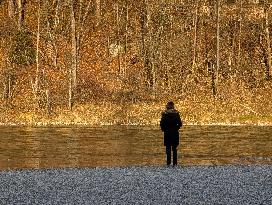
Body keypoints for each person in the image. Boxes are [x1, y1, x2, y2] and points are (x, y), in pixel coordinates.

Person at [160, 101, 182, 167]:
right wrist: (176, 128)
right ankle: (175, 163)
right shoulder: (176, 114)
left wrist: (164, 130)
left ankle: (168, 163)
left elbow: (161, 124)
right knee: (174, 148)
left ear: (167, 106)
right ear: (173, 106)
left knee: (168, 148)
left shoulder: (164, 114)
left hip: (167, 133)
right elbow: (180, 124)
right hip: (175, 133)